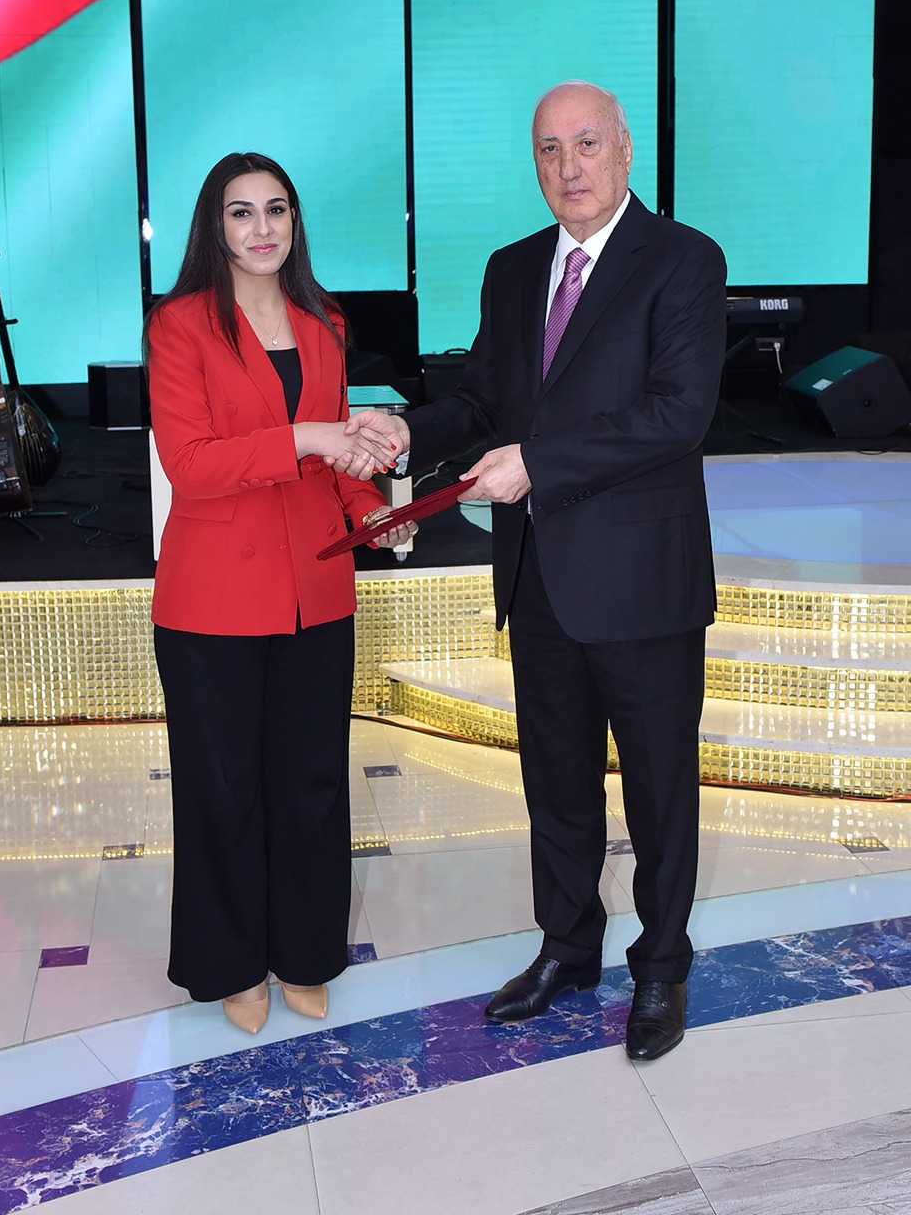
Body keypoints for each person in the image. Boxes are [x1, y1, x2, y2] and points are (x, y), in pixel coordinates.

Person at [341, 82, 726, 1061]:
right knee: (555, 783)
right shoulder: (512, 270)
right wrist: (403, 433)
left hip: (643, 583)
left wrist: (540, 464)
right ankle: (568, 947)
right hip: (539, 577)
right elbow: (481, 402)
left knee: (659, 789)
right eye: (550, 149)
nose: (569, 166)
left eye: (586, 143)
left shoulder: (682, 260)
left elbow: (678, 414)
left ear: (624, 149)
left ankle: (663, 967)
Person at [144, 152, 403, 1034]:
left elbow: (342, 466)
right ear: (214, 227)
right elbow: (192, 464)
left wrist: (374, 514)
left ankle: (305, 953)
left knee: (311, 784)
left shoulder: (324, 320)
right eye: (242, 212)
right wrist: (306, 435)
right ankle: (230, 965)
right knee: (223, 790)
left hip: (317, 588)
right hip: (213, 597)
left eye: (277, 210)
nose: (262, 228)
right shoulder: (180, 325)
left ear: (295, 222)